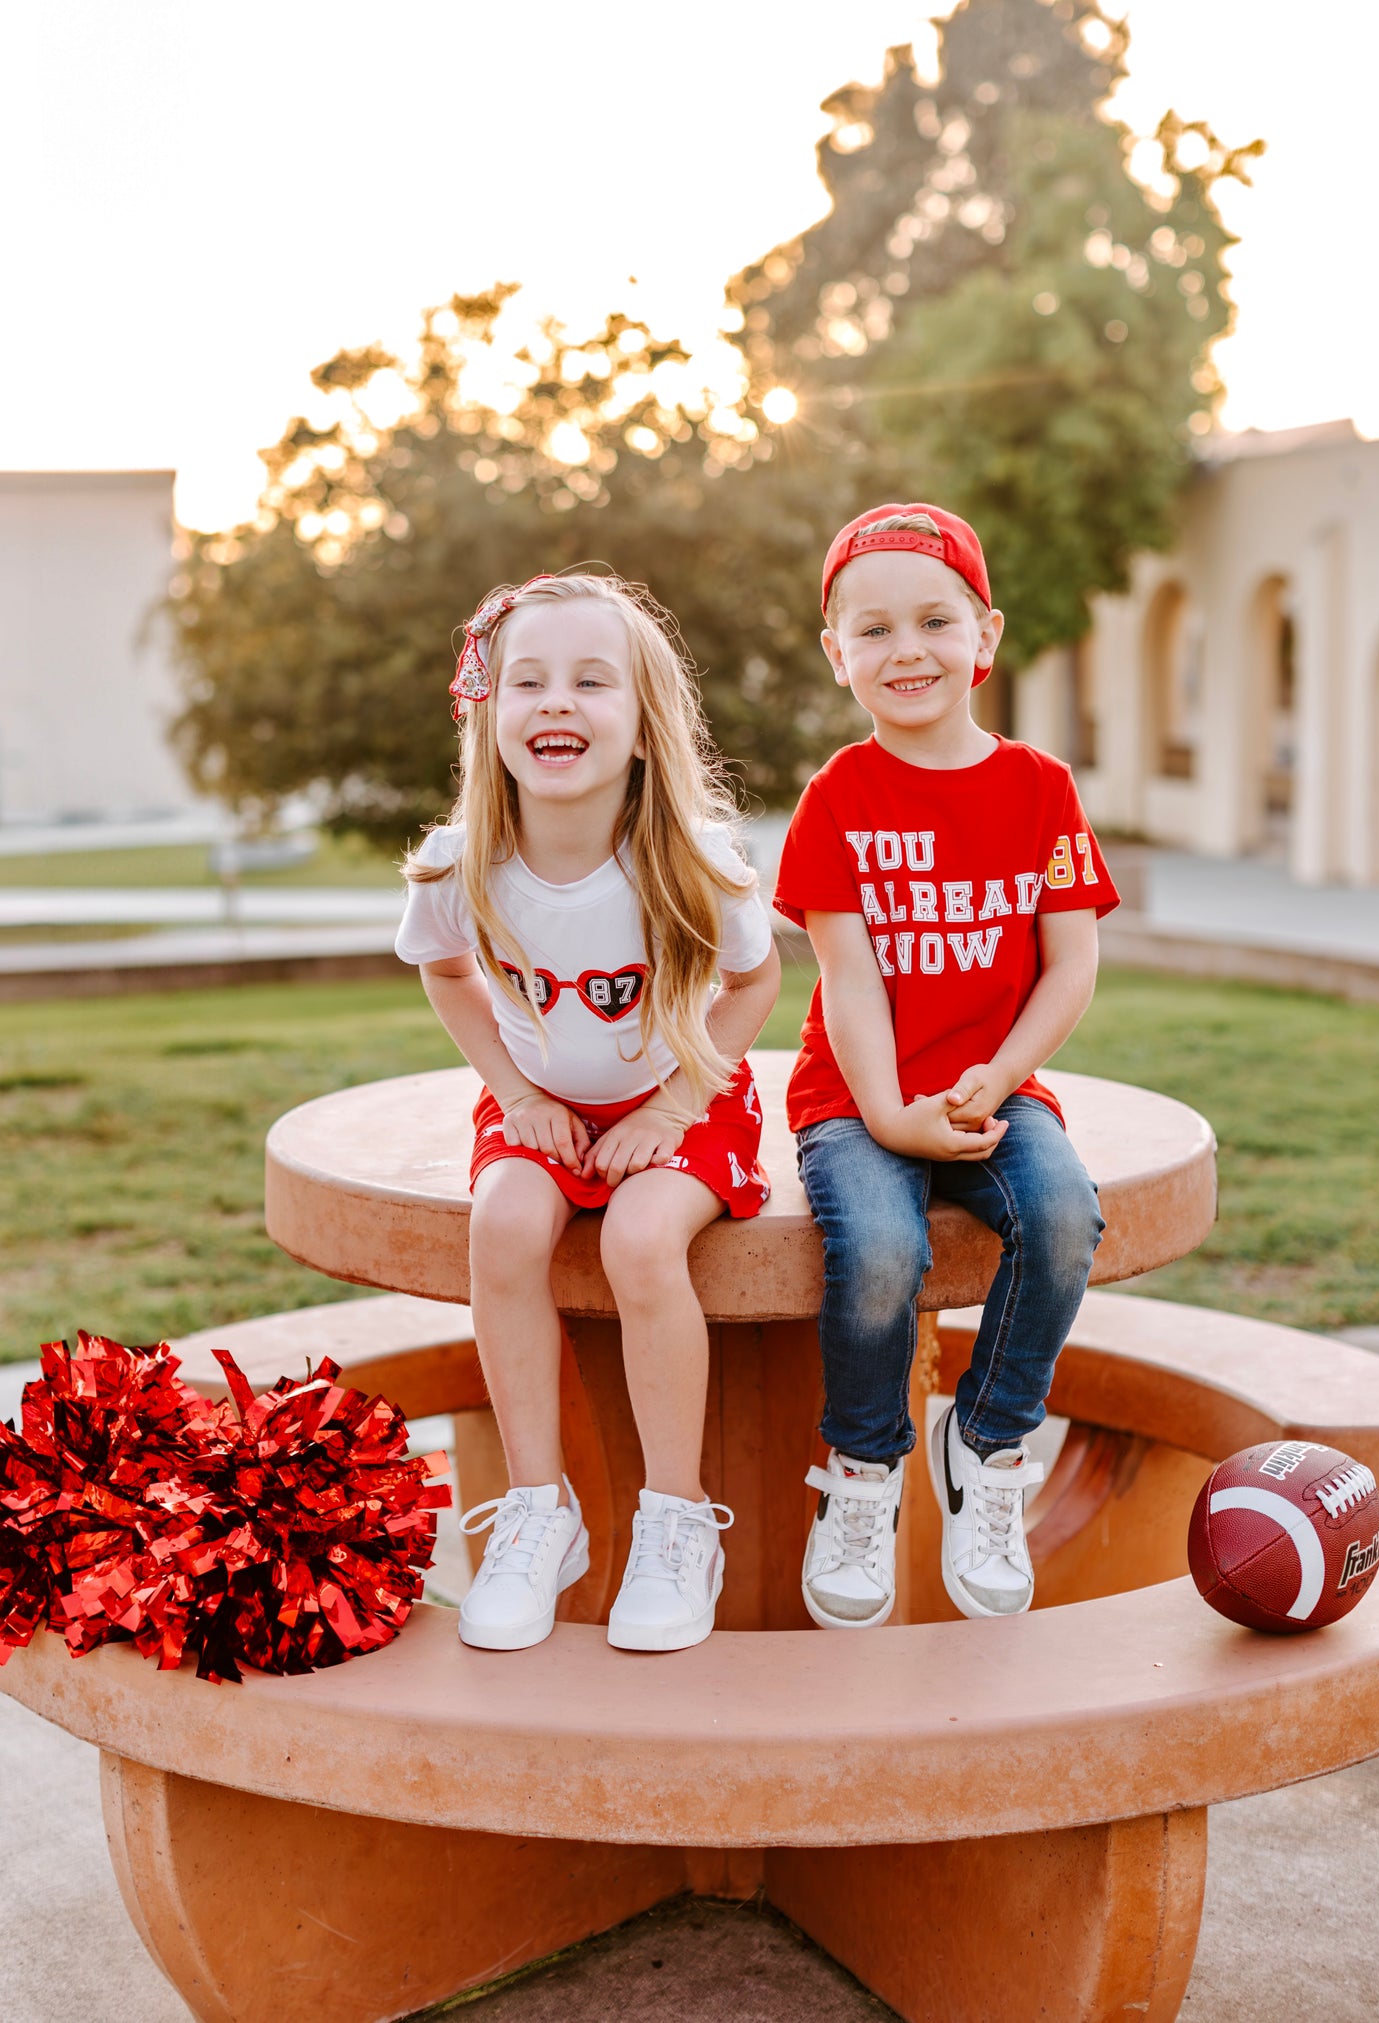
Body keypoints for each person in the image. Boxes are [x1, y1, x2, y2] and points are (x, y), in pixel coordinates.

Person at [396, 573, 780, 1653]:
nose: (555, 702)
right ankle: (538, 1511)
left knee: (642, 1239)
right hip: (546, 1105)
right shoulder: (458, 858)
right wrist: (515, 1092)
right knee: (503, 1227)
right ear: (489, 709)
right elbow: (443, 970)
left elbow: (754, 984)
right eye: (528, 680)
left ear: (644, 724)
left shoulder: (692, 860)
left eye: (589, 681)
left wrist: (675, 1099)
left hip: (683, 1096)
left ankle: (672, 1521)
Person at [772, 505, 1119, 1631]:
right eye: (871, 629)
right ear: (838, 656)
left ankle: (985, 1440)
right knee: (880, 1246)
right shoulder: (837, 798)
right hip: (856, 1096)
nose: (905, 648)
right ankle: (863, 1471)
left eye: (933, 618)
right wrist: (887, 1114)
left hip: (992, 1085)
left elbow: (1069, 962)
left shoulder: (1038, 789)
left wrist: (998, 1075)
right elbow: (848, 976)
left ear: (986, 635)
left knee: (1063, 1213)